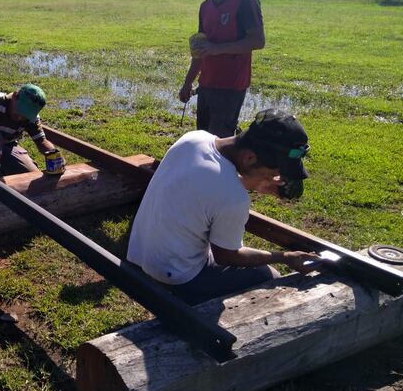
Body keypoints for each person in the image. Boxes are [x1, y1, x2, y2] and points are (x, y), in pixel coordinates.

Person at [126, 108, 319, 305]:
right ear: (249, 158)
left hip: (139, 253)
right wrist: (285, 257)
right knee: (268, 275)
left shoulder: (194, 139)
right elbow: (227, 256)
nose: (272, 178)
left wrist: (251, 182)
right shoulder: (233, 197)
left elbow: (209, 182)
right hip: (175, 275)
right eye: (272, 172)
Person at [179, 0, 266, 137]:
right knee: (202, 139)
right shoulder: (205, 7)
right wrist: (188, 83)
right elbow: (200, 50)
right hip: (207, 83)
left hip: (231, 85)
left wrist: (218, 49)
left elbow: (258, 41)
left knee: (220, 141)